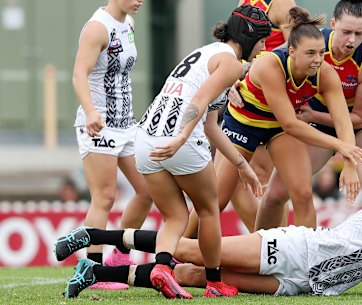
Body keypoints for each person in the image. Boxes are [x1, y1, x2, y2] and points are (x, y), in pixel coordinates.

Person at [59, 5, 271, 299]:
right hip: (172, 139)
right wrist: (182, 136)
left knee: (175, 216)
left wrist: (239, 163)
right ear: (248, 37)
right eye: (262, 41)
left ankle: (160, 266)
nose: (263, 49)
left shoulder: (205, 53)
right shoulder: (231, 64)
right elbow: (199, 101)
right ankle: (214, 282)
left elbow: (211, 125)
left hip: (145, 138)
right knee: (209, 209)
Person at [57, 161, 362, 297]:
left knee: (192, 275)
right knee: (191, 250)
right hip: (297, 251)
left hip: (302, 284)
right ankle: (96, 237)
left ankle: (97, 272)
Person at [255, 0, 362, 230]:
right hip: (319, 116)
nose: (352, 40)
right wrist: (237, 83)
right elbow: (267, 63)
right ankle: (256, 258)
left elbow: (357, 120)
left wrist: (349, 162)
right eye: (346, 32)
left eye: (359, 33)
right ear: (332, 24)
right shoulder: (311, 42)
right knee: (276, 194)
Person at [183, 0, 298, 238]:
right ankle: (179, 253)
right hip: (243, 107)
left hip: (269, 107)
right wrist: (234, 77)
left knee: (263, 185)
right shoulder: (245, 2)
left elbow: (297, 49)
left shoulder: (283, 3)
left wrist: (251, 73)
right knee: (224, 192)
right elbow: (236, 49)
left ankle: (264, 254)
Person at [71, 0, 152, 290]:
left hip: (127, 124)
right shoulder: (97, 28)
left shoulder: (129, 22)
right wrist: (92, 111)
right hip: (99, 123)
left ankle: (119, 257)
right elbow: (79, 74)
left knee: (147, 190)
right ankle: (92, 270)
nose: (139, 1)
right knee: (104, 197)